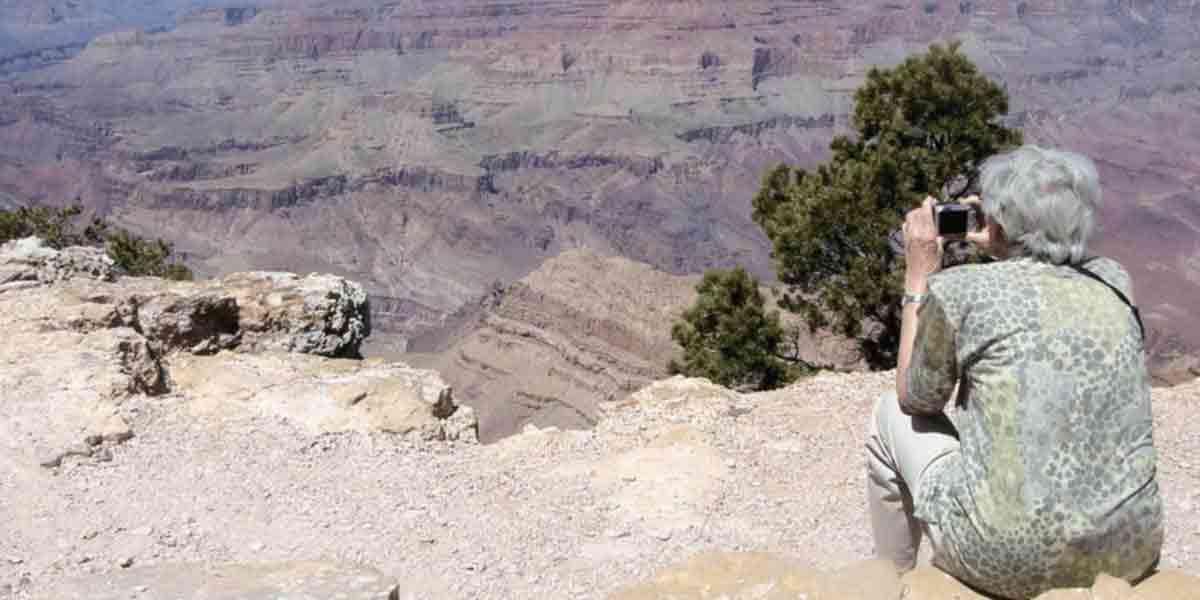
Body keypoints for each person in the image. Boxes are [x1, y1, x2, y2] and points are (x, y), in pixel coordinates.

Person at [865, 145, 1162, 599]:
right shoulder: (1115, 281)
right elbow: (1040, 287)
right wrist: (1009, 240)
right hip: (1127, 552)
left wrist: (919, 275)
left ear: (998, 221)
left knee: (889, 415)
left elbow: (916, 397)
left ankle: (892, 582)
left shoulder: (962, 291)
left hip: (1005, 558)